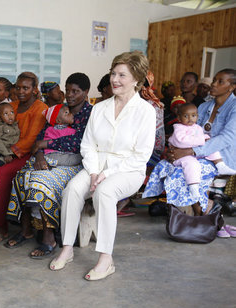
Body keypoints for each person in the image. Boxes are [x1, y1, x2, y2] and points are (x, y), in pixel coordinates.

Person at [51, 51, 156, 280]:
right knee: (72, 190)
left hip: (128, 170)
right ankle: (67, 248)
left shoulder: (146, 112)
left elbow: (141, 156)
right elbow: (87, 145)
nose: (114, 80)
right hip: (95, 166)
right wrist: (95, 170)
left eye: (122, 75)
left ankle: (106, 258)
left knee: (105, 192)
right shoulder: (99, 108)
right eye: (113, 73)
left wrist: (106, 174)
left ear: (136, 79)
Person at [5, 73, 92, 255]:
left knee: (42, 181)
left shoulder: (89, 114)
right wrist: (39, 155)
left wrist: (47, 145)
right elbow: (41, 137)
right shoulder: (60, 109)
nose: (70, 95)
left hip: (74, 163)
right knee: (22, 177)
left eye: (75, 91)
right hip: (49, 157)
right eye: (67, 90)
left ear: (86, 92)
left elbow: (79, 143)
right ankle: (26, 229)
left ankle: (49, 236)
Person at [145, 69, 236, 213]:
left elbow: (227, 137)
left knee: (184, 171)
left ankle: (201, 210)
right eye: (214, 80)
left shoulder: (234, 108)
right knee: (166, 165)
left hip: (222, 158)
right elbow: (185, 131)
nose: (213, 84)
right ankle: (195, 212)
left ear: (232, 87)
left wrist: (190, 151)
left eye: (220, 81)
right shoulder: (204, 106)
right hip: (195, 153)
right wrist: (174, 151)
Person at [0, 72, 47, 242]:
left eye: (26, 88)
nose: (21, 91)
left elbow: (31, 139)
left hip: (27, 154)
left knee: (0, 176)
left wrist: (9, 153)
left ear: (34, 90)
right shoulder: (11, 105)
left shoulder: (40, 108)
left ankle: (1, 226)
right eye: (18, 87)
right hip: (5, 151)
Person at [168, 103, 232, 215]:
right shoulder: (179, 128)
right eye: (186, 116)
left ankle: (220, 165)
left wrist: (205, 141)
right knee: (192, 164)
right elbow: (183, 141)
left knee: (211, 148)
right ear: (179, 118)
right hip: (181, 157)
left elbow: (202, 142)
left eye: (193, 116)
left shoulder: (197, 127)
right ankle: (193, 187)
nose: (190, 119)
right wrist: (203, 140)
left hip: (193, 153)